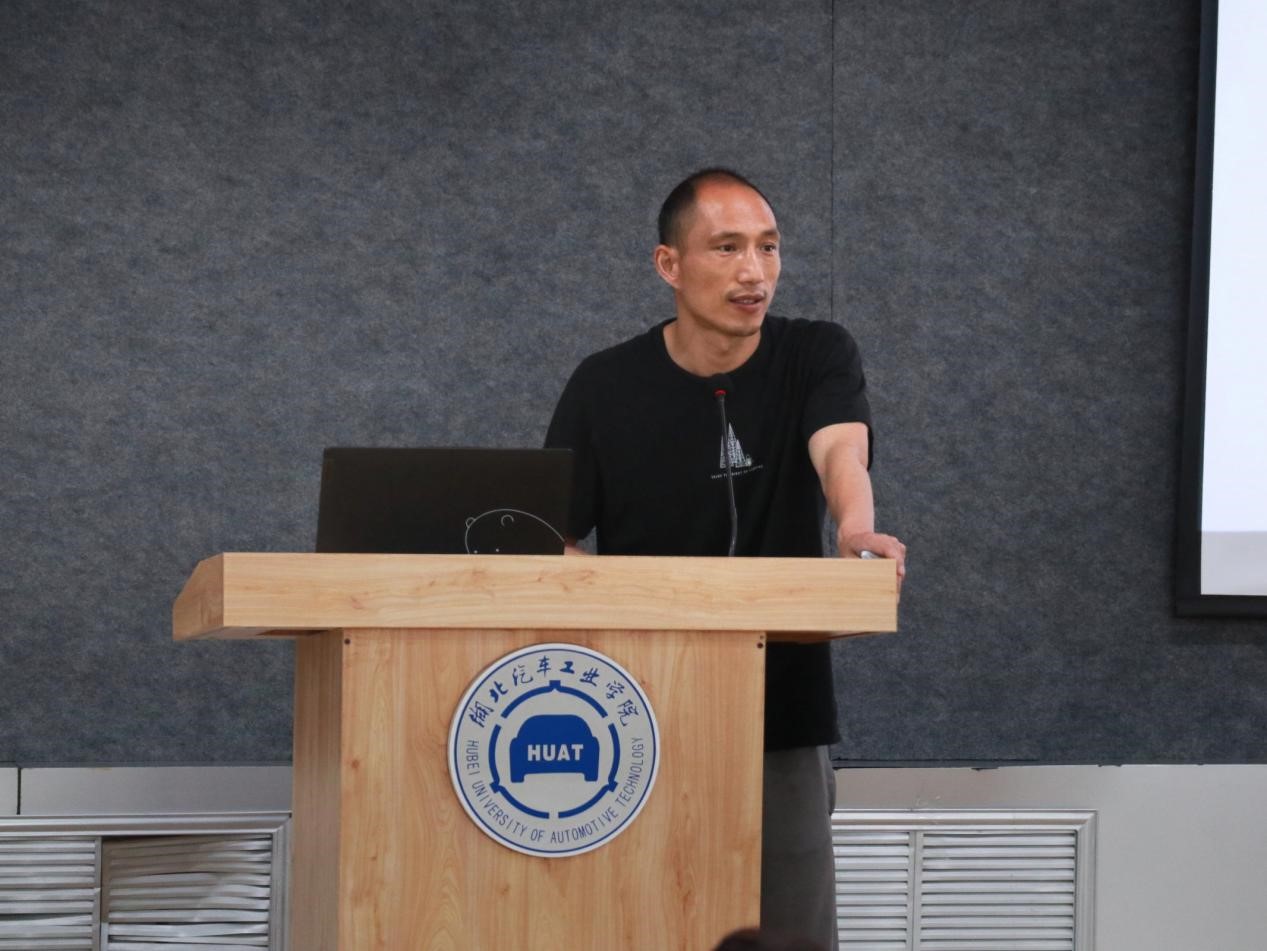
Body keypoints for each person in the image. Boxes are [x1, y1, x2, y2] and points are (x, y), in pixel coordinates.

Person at [544, 168, 906, 949]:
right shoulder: (605, 385)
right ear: (668, 264)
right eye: (728, 247)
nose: (754, 271)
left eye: (768, 248)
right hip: (637, 715)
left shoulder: (815, 352)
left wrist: (855, 527)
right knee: (642, 922)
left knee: (789, 929)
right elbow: (552, 535)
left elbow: (839, 450)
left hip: (782, 706)